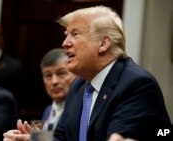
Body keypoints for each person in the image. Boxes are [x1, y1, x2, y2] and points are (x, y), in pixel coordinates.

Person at [52, 5, 172, 141]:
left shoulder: (137, 85)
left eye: (75, 34)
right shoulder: (78, 86)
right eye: (66, 35)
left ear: (103, 44)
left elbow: (117, 138)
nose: (65, 43)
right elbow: (61, 137)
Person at [3, 48, 76, 141]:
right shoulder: (48, 110)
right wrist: (26, 137)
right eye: (48, 75)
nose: (54, 81)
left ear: (76, 74)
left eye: (61, 73)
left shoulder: (80, 111)